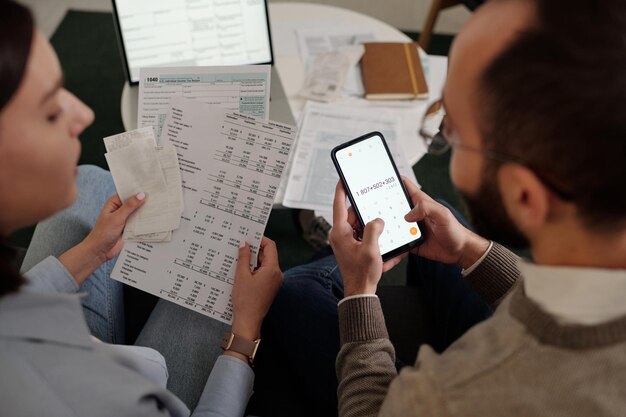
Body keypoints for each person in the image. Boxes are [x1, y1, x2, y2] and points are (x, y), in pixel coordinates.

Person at [250, 0, 626, 416]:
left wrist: (359, 294)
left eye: (455, 131)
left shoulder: (451, 395)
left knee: (293, 292)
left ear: (524, 195)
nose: (445, 140)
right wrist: (472, 250)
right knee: (436, 214)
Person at [0, 1, 283, 415]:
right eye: (50, 111)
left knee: (92, 178)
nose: (85, 114)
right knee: (226, 267)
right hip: (122, 390)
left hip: (68, 349)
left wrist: (93, 250)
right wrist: (244, 335)